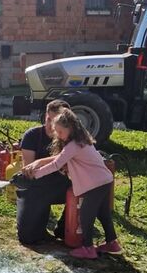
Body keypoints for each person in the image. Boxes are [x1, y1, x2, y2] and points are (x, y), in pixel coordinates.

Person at [23, 108, 121, 260]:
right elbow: (60, 160)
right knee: (103, 213)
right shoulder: (81, 140)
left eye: (60, 132)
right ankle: (112, 243)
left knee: (86, 215)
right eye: (57, 132)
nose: (58, 135)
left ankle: (88, 248)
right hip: (104, 180)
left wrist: (35, 175)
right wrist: (39, 165)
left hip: (95, 185)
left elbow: (56, 164)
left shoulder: (73, 145)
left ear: (70, 128)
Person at [15, 99, 71, 245]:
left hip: (63, 183)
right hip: (38, 185)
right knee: (27, 237)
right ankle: (38, 227)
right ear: (45, 116)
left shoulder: (72, 139)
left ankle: (65, 228)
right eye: (49, 120)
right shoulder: (32, 135)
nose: (52, 125)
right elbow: (30, 170)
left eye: (57, 121)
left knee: (82, 188)